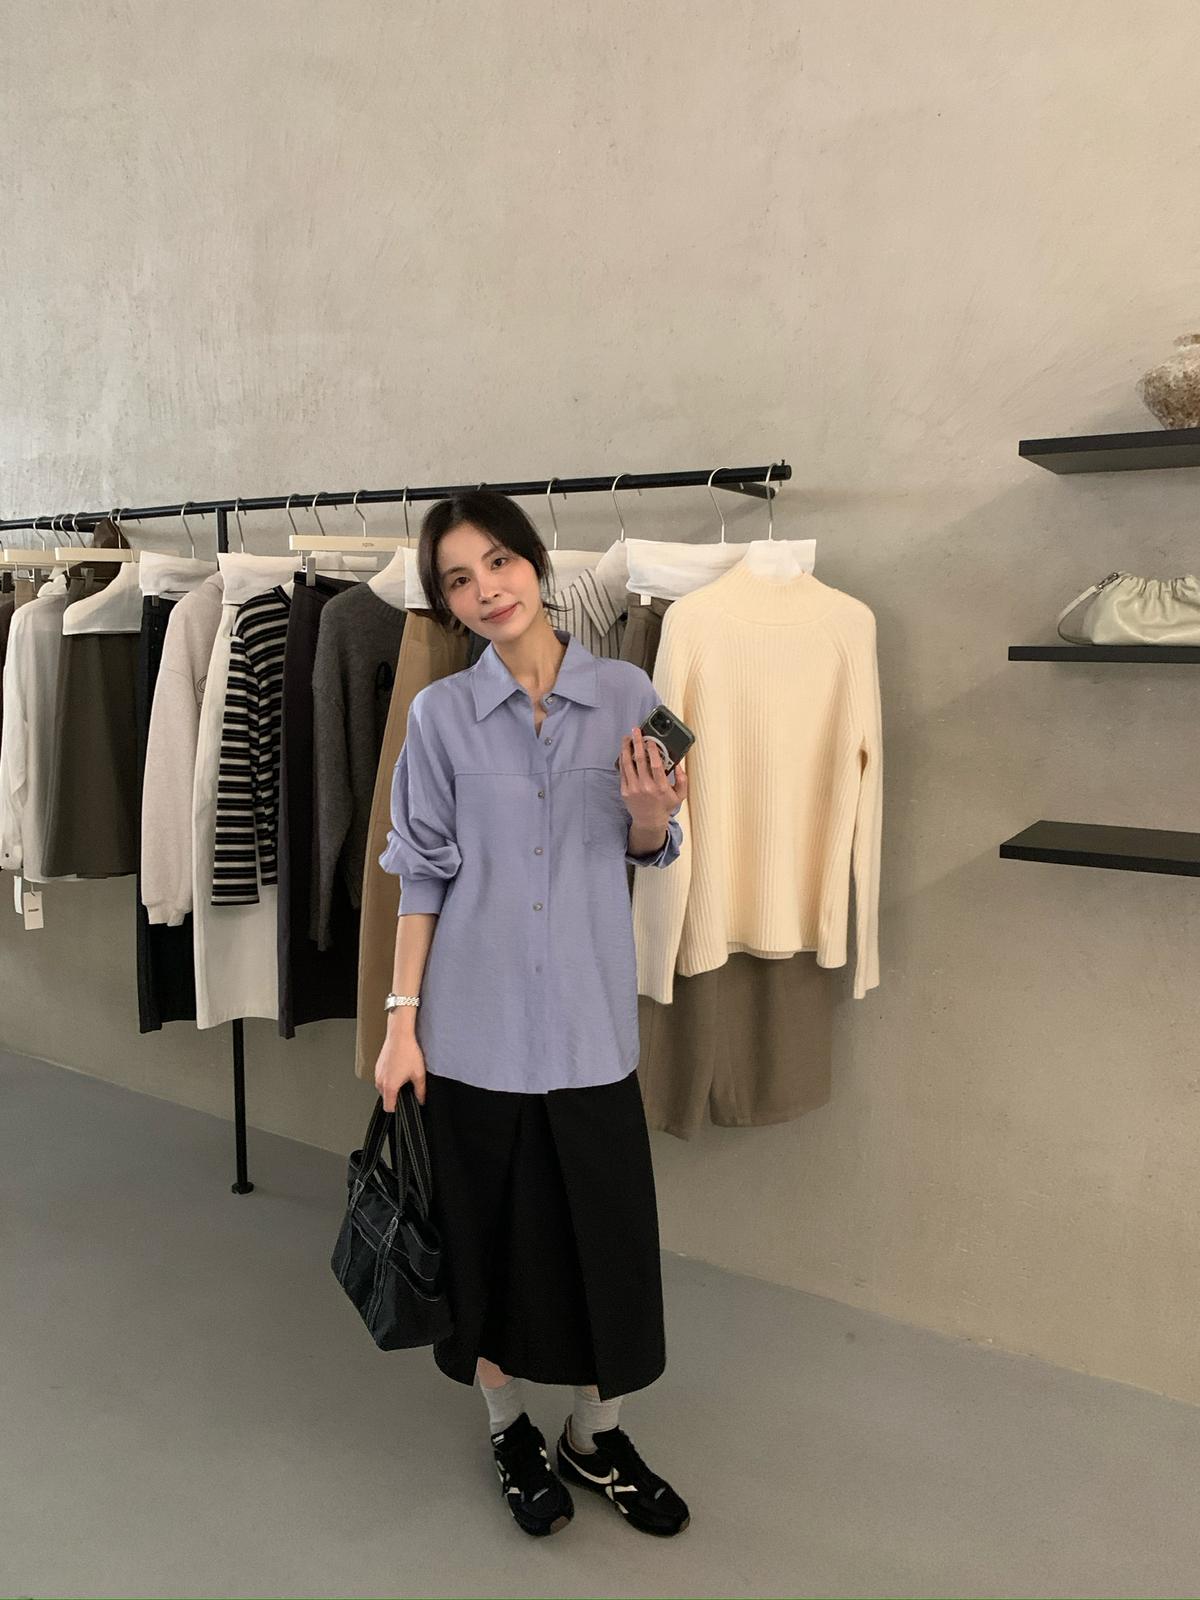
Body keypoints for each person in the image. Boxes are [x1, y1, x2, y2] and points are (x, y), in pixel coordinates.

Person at [375, 489, 691, 1538]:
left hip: (591, 1033)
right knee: (488, 1256)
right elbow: (422, 875)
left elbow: (647, 848)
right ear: (446, 604)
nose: (487, 589)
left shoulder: (627, 693)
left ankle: (595, 1437)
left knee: (609, 1252)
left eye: (499, 562)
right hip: (474, 1035)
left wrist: (649, 817)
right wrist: (400, 1022)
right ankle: (508, 1427)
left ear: (535, 562)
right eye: (458, 580)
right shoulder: (439, 717)